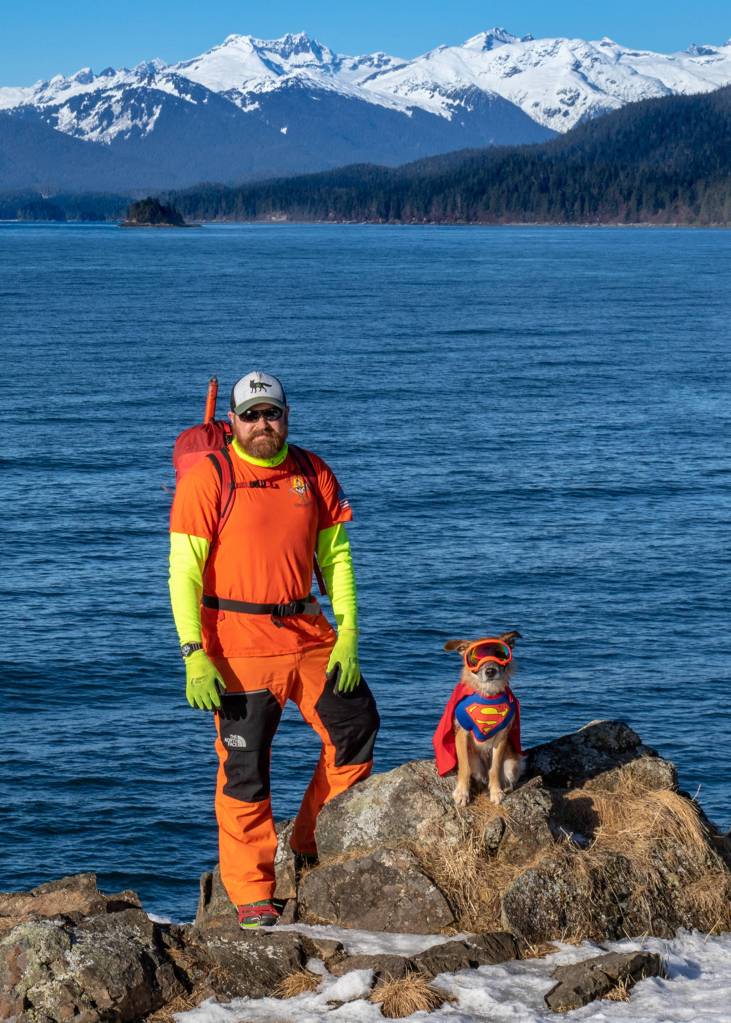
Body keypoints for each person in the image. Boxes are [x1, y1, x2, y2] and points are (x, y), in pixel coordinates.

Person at [168, 370, 379, 928]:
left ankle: (312, 841)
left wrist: (350, 631)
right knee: (245, 768)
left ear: (287, 415)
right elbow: (183, 573)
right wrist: (193, 653)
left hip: (308, 635)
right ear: (232, 422)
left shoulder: (312, 471)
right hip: (236, 645)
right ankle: (251, 891)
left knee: (355, 729)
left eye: (273, 413)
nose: (264, 423)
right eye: (252, 415)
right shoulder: (210, 477)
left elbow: (336, 559)